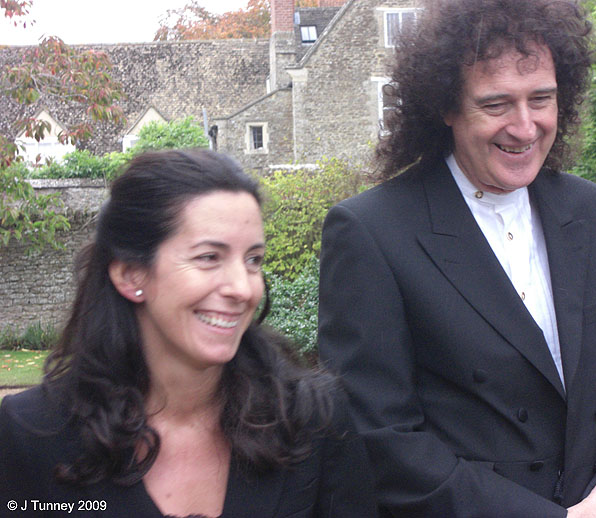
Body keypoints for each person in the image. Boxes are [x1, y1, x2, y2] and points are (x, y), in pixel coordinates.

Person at [317, 1, 596, 517]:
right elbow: (383, 438)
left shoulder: (592, 210)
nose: (525, 128)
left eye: (542, 99)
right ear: (446, 105)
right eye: (497, 104)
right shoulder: (372, 232)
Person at [0, 149, 377, 518]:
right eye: (209, 257)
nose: (242, 289)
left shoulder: (314, 418)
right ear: (131, 274)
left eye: (253, 260)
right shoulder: (34, 433)